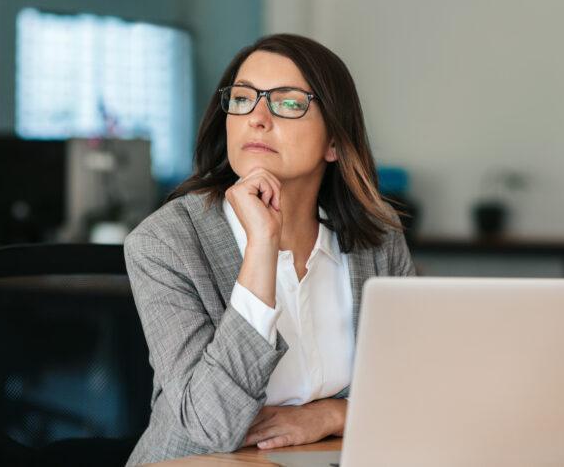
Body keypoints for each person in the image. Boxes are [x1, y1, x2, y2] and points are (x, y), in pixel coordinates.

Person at [123, 34, 415, 465]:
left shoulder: (378, 238)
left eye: (289, 102)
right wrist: (261, 249)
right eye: (242, 99)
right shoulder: (165, 242)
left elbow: (413, 386)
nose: (257, 117)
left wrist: (333, 414)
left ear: (334, 141)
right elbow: (210, 425)